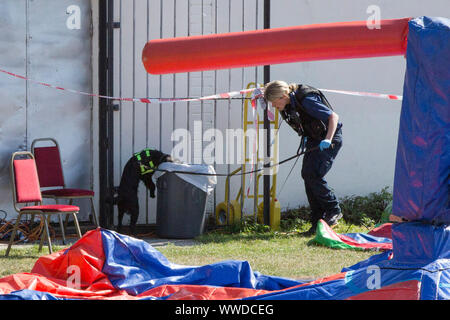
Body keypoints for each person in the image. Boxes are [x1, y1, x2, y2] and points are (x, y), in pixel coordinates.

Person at [264, 80, 343, 235]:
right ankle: (317, 223)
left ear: (284, 95)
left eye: (274, 102)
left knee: (313, 174)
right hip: (315, 139)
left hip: (329, 139)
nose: (273, 106)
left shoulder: (307, 100)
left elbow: (333, 117)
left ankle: (333, 210)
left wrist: (327, 139)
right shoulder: (288, 102)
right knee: (307, 175)